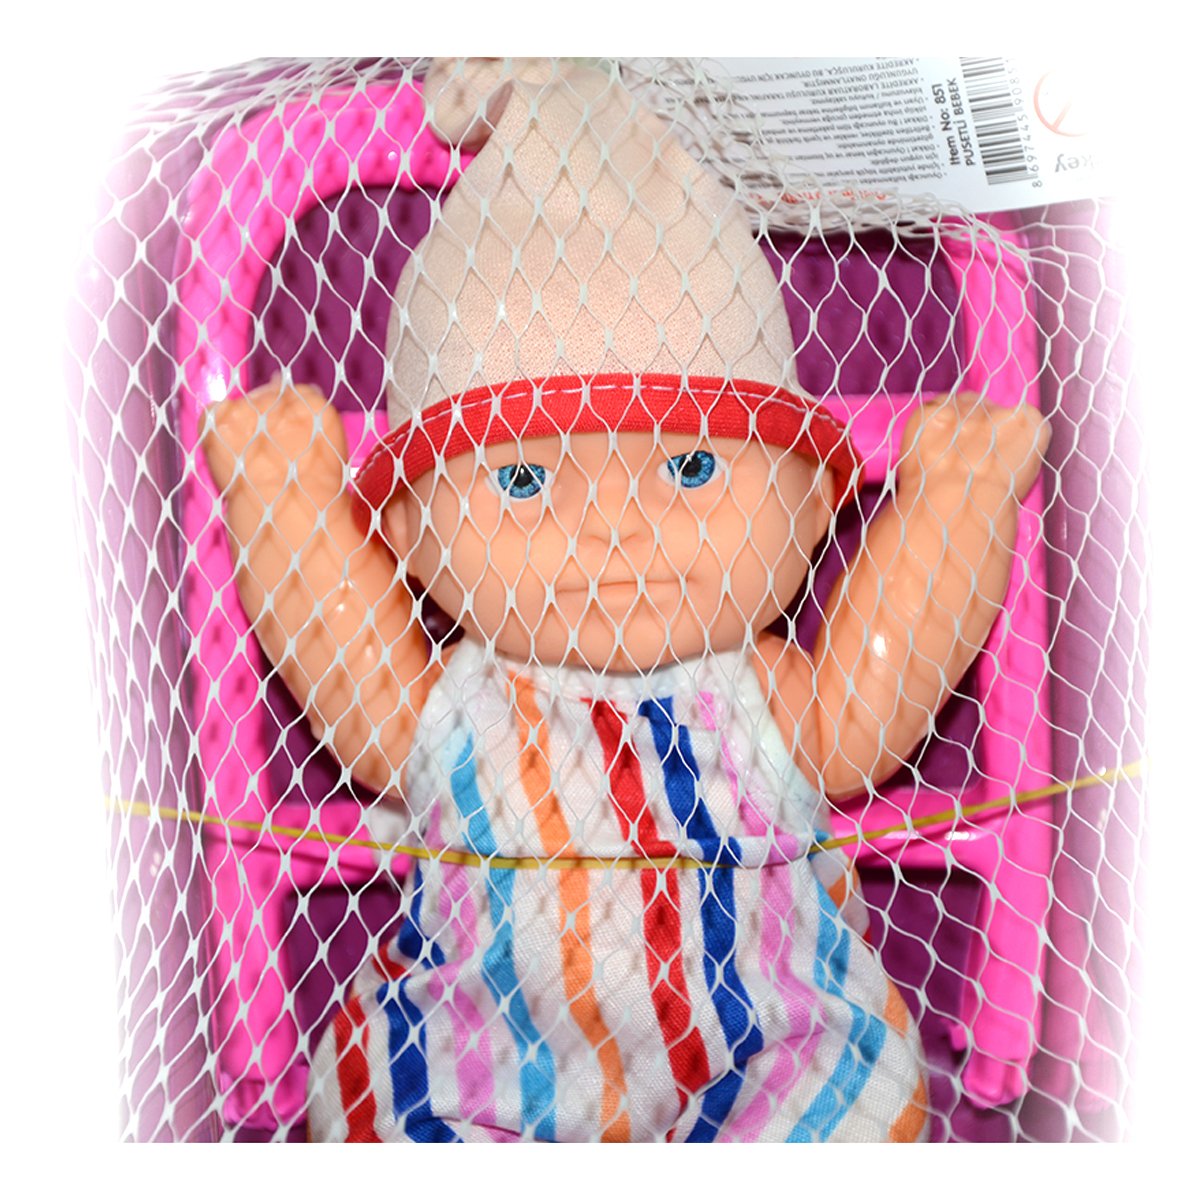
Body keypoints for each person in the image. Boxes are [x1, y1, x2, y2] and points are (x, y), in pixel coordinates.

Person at [200, 59, 1047, 1142]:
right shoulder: (458, 698)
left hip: (770, 1037)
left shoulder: (765, 687)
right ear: (405, 531)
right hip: (484, 1044)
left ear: (813, 501)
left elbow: (869, 712)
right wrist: (287, 505)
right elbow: (351, 674)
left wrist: (953, 509)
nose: (614, 529)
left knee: (845, 1107)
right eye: (522, 480)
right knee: (402, 1108)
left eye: (691, 469)